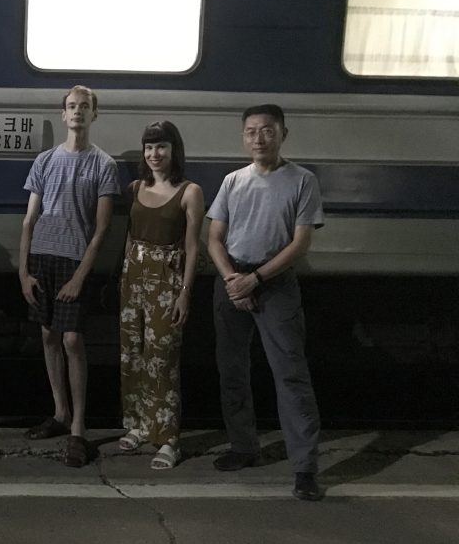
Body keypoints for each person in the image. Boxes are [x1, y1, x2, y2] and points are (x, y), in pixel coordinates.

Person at [207, 104, 325, 501]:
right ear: (243, 137)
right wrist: (232, 280)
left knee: (290, 373)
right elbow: (214, 238)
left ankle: (305, 468)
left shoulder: (302, 180)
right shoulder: (232, 181)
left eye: (267, 131)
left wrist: (255, 279)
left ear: (283, 135)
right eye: (252, 131)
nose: (259, 138)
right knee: (232, 369)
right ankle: (244, 447)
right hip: (233, 279)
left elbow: (300, 243)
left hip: (275, 284)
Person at [19, 85, 119, 467]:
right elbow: (30, 219)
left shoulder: (104, 165)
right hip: (43, 256)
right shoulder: (44, 161)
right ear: (63, 115)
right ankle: (59, 413)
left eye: (85, 107)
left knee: (73, 340)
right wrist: (23, 271)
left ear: (94, 114)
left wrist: (80, 277)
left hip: (74, 259)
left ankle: (79, 428)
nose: (77, 112)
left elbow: (101, 229)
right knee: (48, 334)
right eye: (72, 107)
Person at [117, 121, 204, 469]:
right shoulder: (135, 187)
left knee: (162, 358)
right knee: (132, 354)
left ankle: (168, 439)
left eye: (161, 147)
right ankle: (138, 425)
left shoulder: (190, 191)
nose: (155, 154)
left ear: (174, 150)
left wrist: (185, 293)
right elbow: (128, 235)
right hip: (132, 277)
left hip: (167, 280)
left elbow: (193, 247)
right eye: (149, 147)